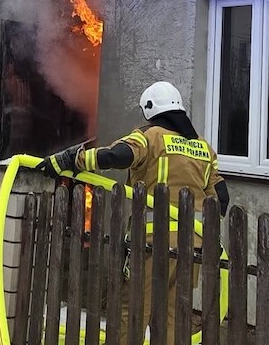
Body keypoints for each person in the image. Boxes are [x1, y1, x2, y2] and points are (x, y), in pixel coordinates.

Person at [37, 80, 230, 343]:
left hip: (151, 243)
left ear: (150, 109)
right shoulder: (204, 149)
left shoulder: (149, 137)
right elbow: (221, 198)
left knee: (132, 309)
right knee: (174, 313)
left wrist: (73, 159)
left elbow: (116, 156)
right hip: (192, 247)